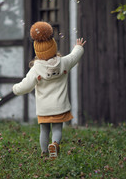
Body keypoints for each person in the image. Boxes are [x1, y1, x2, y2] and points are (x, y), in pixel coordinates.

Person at [12, 21, 86, 159]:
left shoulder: (36, 69)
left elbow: (25, 85)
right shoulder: (64, 63)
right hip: (60, 106)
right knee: (57, 128)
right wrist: (78, 47)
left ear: (37, 51)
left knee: (44, 130)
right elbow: (74, 56)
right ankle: (55, 145)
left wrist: (15, 89)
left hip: (44, 108)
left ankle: (44, 153)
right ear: (53, 47)